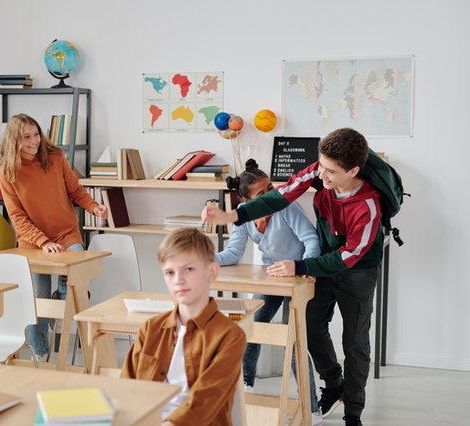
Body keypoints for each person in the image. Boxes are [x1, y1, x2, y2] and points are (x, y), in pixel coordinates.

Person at [202, 128, 382, 426]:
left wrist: (300, 267)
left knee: (355, 342)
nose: (320, 176)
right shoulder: (320, 171)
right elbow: (281, 196)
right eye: (320, 166)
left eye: (330, 172)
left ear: (353, 171)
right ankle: (333, 382)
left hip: (357, 271)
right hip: (321, 263)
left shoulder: (369, 204)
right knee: (308, 328)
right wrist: (231, 216)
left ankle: (353, 413)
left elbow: (349, 256)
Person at [216, 159, 324, 425]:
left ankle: (312, 409)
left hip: (299, 277)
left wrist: (306, 267)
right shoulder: (243, 214)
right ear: (246, 200)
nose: (270, 196)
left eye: (271, 188)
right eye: (261, 194)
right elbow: (232, 253)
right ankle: (247, 388)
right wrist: (207, 260)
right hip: (272, 279)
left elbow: (311, 239)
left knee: (295, 341)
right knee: (252, 329)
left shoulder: (285, 205)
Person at [0, 113, 107, 361]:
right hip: (33, 242)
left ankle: (64, 295)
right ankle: (40, 353)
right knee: (38, 299)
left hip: (66, 233)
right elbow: (17, 217)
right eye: (26, 137)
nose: (34, 141)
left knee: (75, 273)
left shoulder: (55, 158)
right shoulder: (8, 171)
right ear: (15, 140)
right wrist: (43, 242)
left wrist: (93, 207)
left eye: (36, 134)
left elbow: (76, 191)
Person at [121, 227, 246, 426]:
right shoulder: (150, 329)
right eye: (169, 272)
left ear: (212, 272)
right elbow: (127, 389)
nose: (178, 280)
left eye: (188, 269)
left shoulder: (230, 336)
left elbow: (205, 402)